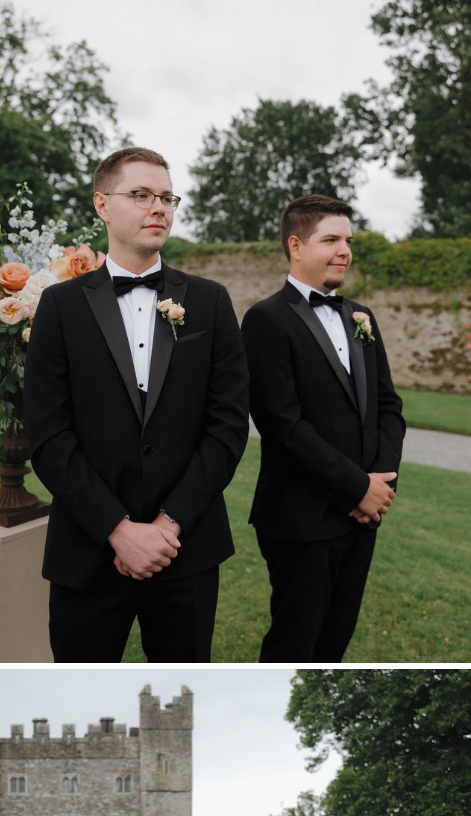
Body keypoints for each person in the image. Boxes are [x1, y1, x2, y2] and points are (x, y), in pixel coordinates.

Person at [25, 146, 250, 663]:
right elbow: (49, 434)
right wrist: (119, 531)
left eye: (168, 197)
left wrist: (168, 527)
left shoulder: (210, 301)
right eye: (142, 195)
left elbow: (228, 426)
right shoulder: (60, 306)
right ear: (102, 205)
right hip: (87, 550)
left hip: (187, 551)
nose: (160, 208)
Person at [242, 194, 405, 663]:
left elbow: (388, 407)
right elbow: (282, 426)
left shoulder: (362, 317)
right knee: (295, 645)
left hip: (362, 517)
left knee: (334, 644)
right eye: (330, 239)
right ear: (295, 245)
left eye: (348, 240)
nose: (344, 251)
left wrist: (380, 484)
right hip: (301, 518)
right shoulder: (265, 320)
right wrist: (357, 487)